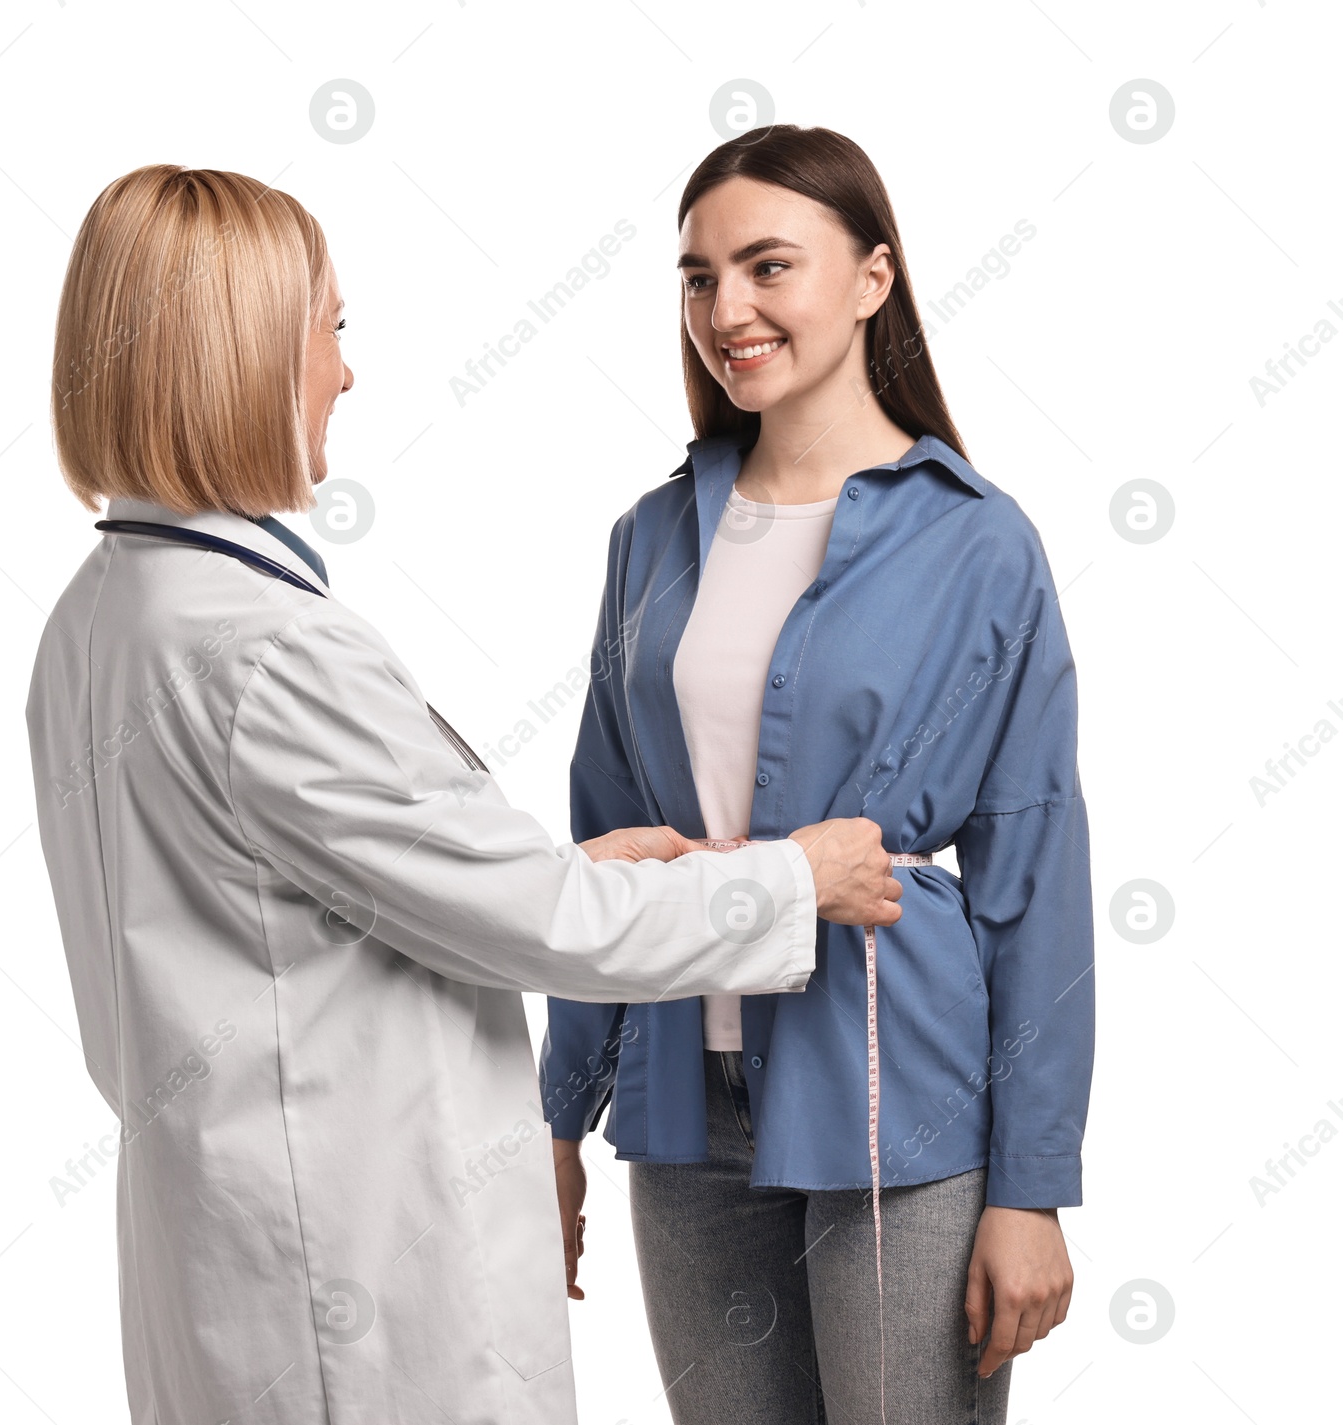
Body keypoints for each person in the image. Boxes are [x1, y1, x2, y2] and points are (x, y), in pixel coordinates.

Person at [23, 163, 901, 1425]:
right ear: (240, 355)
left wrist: (580, 874)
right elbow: (540, 927)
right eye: (329, 329)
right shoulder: (271, 651)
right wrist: (790, 882)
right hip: (358, 1285)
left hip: (242, 1244)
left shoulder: (106, 614)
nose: (344, 372)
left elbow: (342, 887)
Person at [543, 125, 1095, 1425]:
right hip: (683, 1105)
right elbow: (597, 844)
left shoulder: (979, 544)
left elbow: (1038, 880)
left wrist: (1032, 1187)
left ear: (873, 277)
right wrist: (558, 1117)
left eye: (767, 266)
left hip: (897, 1100)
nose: (725, 310)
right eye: (696, 277)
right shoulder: (651, 538)